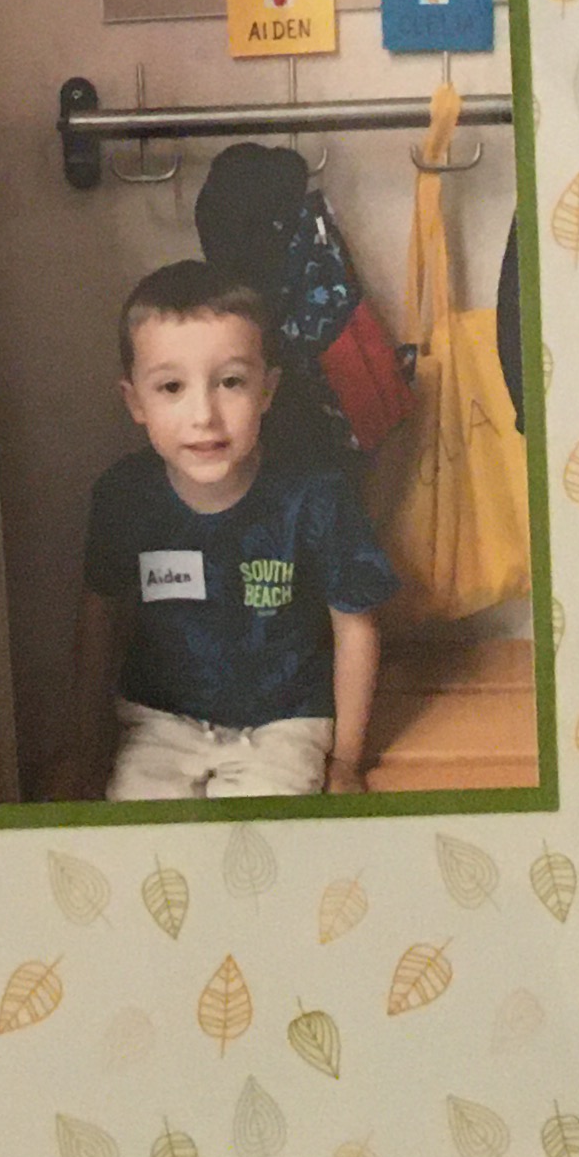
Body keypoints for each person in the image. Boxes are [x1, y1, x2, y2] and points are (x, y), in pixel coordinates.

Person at [63, 263, 390, 801]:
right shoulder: (124, 497)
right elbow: (99, 616)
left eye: (231, 382)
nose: (204, 415)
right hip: (159, 721)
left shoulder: (315, 497)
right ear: (135, 402)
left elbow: (356, 625)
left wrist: (348, 761)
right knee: (141, 833)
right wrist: (84, 748)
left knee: (262, 839)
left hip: (285, 722)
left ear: (267, 390)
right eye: (172, 387)